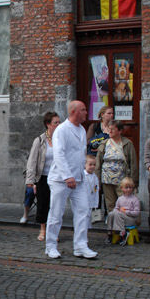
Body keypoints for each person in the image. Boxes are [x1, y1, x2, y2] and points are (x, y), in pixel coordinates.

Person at [45, 101, 97, 260]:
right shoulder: (61, 130)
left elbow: (80, 154)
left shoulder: (81, 129)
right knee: (56, 213)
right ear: (74, 112)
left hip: (79, 178)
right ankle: (50, 246)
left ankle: (80, 246)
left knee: (83, 211)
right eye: (83, 110)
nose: (86, 112)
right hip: (60, 179)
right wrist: (67, 176)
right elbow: (59, 154)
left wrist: (79, 174)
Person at [24, 112, 60, 240]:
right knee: (43, 204)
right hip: (43, 177)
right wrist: (30, 180)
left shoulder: (61, 139)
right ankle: (43, 229)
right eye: (55, 122)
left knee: (55, 205)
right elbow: (32, 161)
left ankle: (53, 231)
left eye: (59, 122)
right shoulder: (39, 140)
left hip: (57, 177)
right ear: (48, 124)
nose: (58, 125)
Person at [95, 120, 138, 215]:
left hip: (122, 180)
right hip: (106, 179)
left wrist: (133, 181)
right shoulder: (104, 144)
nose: (110, 131)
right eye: (109, 129)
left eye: (112, 129)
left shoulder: (127, 143)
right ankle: (112, 221)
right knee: (110, 204)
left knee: (124, 203)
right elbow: (98, 163)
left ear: (120, 131)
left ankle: (123, 221)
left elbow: (133, 163)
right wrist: (97, 179)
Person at [106, 177, 140, 243]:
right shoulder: (120, 199)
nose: (128, 189)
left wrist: (126, 212)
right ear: (122, 188)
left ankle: (122, 233)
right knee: (111, 214)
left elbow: (136, 212)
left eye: (130, 188)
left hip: (130, 219)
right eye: (126, 188)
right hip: (120, 218)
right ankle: (110, 232)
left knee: (118, 214)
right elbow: (116, 208)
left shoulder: (135, 199)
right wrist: (116, 211)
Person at [82, 155, 100, 232]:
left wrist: (96, 203)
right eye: (90, 164)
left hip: (91, 201)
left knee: (88, 218)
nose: (92, 166)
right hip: (83, 201)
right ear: (85, 164)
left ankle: (86, 234)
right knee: (83, 218)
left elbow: (96, 190)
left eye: (94, 165)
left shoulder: (95, 177)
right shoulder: (83, 175)